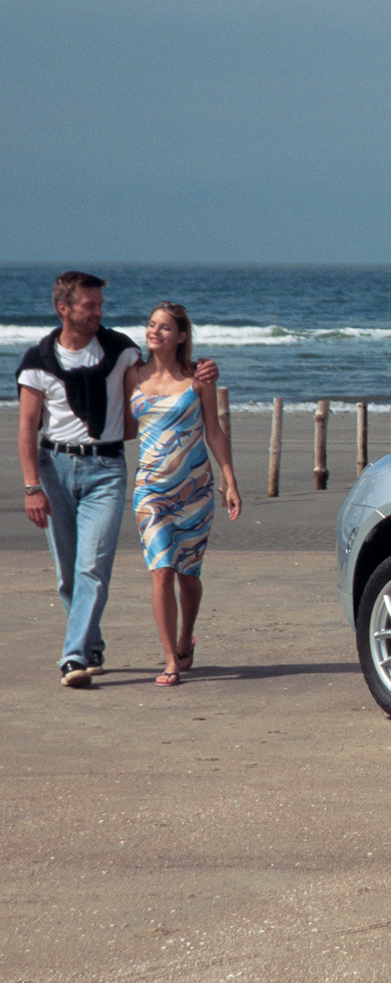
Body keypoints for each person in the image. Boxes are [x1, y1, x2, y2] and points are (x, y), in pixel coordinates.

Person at [16, 273, 219, 687]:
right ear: (64, 309)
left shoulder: (121, 350)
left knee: (92, 566)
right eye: (89, 305)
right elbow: (25, 428)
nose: (99, 312)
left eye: (100, 304)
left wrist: (203, 367)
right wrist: (32, 486)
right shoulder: (38, 361)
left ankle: (73, 657)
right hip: (54, 468)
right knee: (67, 573)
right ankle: (91, 645)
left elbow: (165, 369)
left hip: (106, 469)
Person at [125, 303, 241, 686]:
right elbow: (124, 427)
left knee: (188, 575)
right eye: (151, 324)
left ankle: (185, 637)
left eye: (164, 327)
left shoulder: (199, 378)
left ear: (181, 336)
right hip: (150, 491)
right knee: (161, 572)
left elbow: (214, 432)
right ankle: (170, 659)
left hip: (195, 493)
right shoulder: (132, 375)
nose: (154, 331)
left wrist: (230, 481)